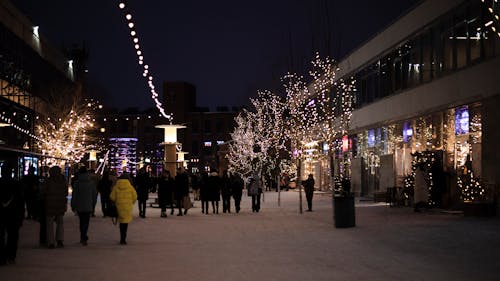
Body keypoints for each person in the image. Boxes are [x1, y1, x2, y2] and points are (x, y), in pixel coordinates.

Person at [0, 162, 25, 265]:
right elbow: (21, 201)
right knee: (13, 236)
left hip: (1, 214)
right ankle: (11, 255)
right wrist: (21, 216)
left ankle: (1, 257)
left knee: (1, 235)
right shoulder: (17, 184)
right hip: (14, 214)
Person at [71, 166, 97, 246]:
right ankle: (84, 235)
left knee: (81, 221)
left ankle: (82, 236)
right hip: (88, 205)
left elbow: (74, 195)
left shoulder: (77, 183)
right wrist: (93, 205)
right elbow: (94, 195)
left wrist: (73, 205)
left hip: (79, 205)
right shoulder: (91, 183)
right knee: (86, 222)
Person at [43, 166, 68, 248]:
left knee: (49, 223)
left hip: (50, 204)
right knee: (60, 222)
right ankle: (60, 240)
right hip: (60, 203)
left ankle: (50, 242)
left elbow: (44, 191)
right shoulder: (63, 181)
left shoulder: (48, 181)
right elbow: (66, 192)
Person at [110, 172, 137, 245]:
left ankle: (122, 238)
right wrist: (131, 202)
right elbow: (135, 197)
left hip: (119, 207)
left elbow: (112, 197)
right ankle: (124, 238)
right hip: (127, 207)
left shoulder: (116, 186)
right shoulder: (130, 187)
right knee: (125, 224)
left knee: (121, 224)